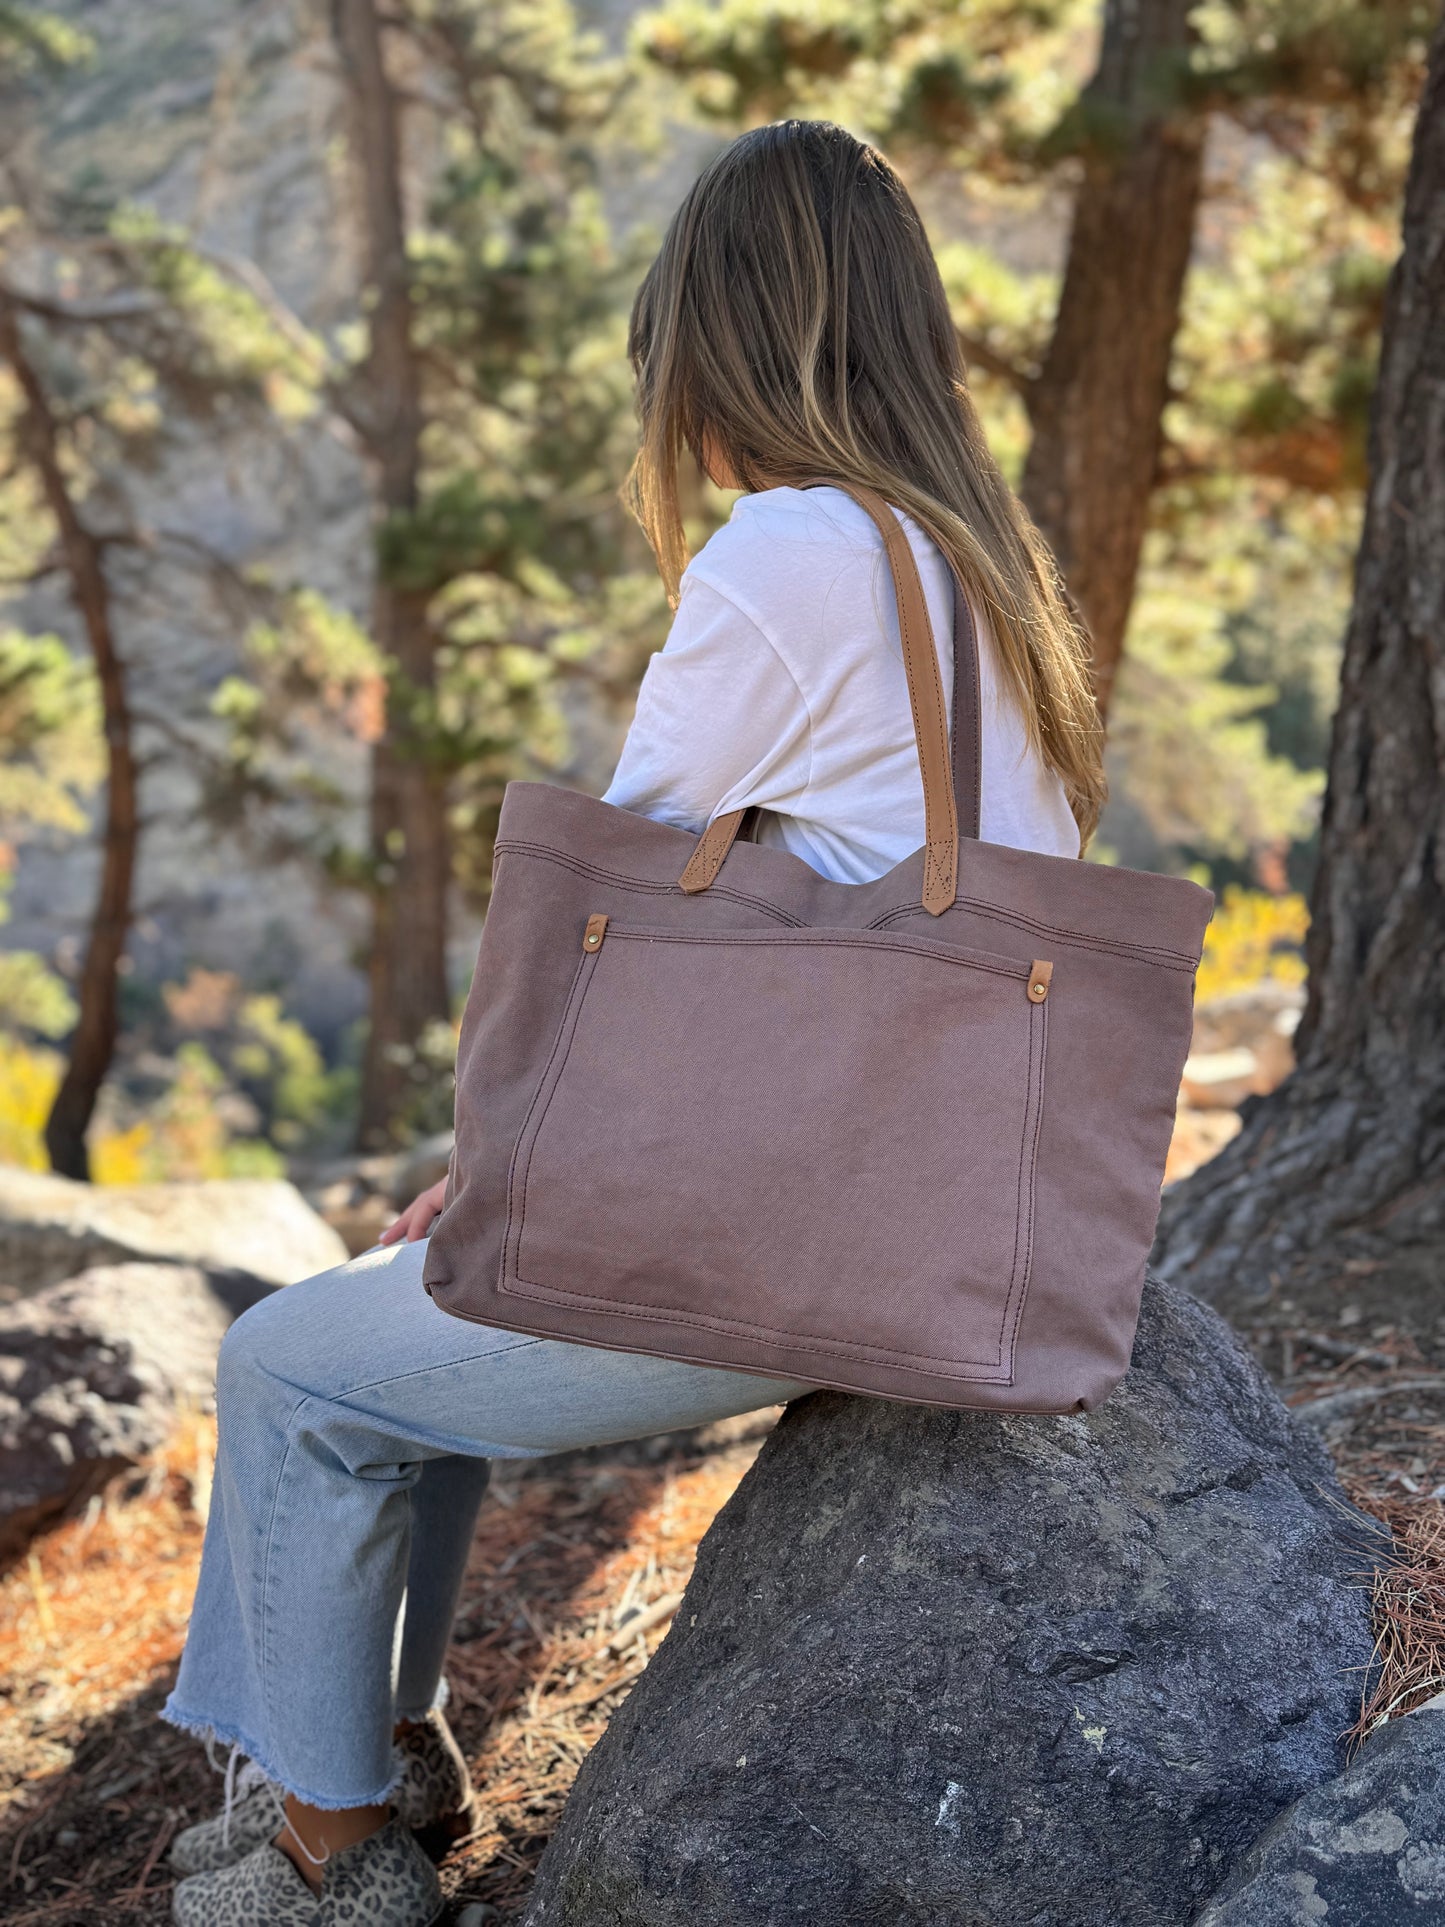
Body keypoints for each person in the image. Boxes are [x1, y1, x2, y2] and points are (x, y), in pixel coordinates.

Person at [161, 117, 1104, 1926]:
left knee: (294, 1364)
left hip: (808, 1246)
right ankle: (370, 1754)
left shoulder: (789, 559)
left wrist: (500, 1162)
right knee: (391, 1346)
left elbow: (601, 922)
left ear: (718, 341)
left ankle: (331, 1865)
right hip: (948, 1227)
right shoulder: (977, 569)